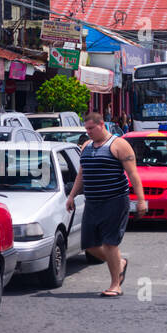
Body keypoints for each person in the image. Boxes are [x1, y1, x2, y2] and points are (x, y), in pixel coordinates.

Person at [65, 111, 146, 297]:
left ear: (102, 124)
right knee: (89, 245)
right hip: (92, 202)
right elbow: (81, 175)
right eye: (86, 129)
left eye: (91, 128)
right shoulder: (86, 146)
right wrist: (71, 196)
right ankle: (120, 263)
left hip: (115, 201)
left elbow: (133, 174)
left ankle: (115, 285)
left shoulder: (119, 145)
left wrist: (141, 200)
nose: (89, 132)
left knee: (110, 243)